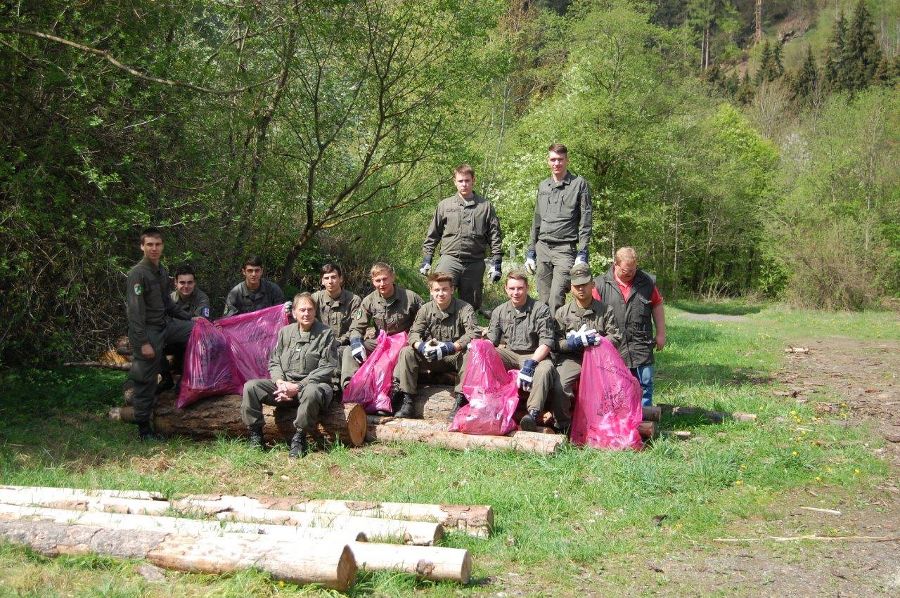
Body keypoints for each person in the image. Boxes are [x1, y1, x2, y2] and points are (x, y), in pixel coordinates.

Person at [240, 293, 339, 458]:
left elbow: (327, 367)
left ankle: (300, 437)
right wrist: (280, 383)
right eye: (302, 310)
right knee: (251, 387)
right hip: (285, 386)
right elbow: (274, 362)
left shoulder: (326, 334)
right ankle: (256, 435)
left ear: (315, 312)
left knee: (312, 391)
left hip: (311, 387)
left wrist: (298, 386)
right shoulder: (285, 332)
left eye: (310, 310)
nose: (306, 313)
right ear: (294, 313)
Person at [125, 227, 194, 441]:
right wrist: (143, 341)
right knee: (144, 380)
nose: (154, 249)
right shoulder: (138, 273)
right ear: (142, 247)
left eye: (158, 244)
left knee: (199, 331)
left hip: (166, 324)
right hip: (148, 331)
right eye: (150, 245)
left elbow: (167, 303)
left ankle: (183, 380)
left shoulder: (161, 270)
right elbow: (135, 312)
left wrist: (189, 319)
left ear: (162, 246)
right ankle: (144, 430)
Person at [393, 272, 478, 419]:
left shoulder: (465, 308)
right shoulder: (426, 309)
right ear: (431, 291)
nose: (441, 293)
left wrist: (451, 347)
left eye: (445, 289)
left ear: (452, 290)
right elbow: (413, 333)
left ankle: (460, 400)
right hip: (432, 356)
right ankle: (408, 400)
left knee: (470, 353)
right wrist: (421, 346)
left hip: (455, 356)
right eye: (437, 290)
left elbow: (473, 333)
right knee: (407, 352)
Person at [479, 271, 556, 431]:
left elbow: (547, 342)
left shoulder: (540, 309)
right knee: (484, 353)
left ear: (527, 288)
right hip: (510, 353)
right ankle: (487, 406)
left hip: (535, 354)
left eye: (520, 288)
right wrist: (479, 346)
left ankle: (533, 414)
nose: (516, 292)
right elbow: (492, 341)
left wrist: (531, 364)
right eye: (512, 288)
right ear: (506, 289)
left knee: (546, 368)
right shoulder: (499, 311)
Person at [420, 164, 503, 312]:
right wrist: (427, 259)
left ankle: (468, 332)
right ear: (455, 182)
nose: (464, 184)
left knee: (470, 306)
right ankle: (436, 329)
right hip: (450, 259)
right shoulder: (445, 205)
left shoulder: (485, 206)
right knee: (440, 295)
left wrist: (496, 263)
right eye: (460, 181)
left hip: (475, 262)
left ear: (473, 181)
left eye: (467, 180)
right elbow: (433, 234)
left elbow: (494, 235)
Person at [551, 263, 621, 434]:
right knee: (560, 387)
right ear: (571, 288)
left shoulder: (605, 311)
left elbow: (616, 337)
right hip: (573, 358)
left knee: (616, 389)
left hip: (599, 359)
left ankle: (607, 425)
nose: (581, 289)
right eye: (577, 286)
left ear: (592, 285)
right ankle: (563, 426)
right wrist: (571, 343)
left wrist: (598, 341)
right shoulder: (562, 312)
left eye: (584, 284)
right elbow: (555, 342)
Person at [593, 247, 666, 406]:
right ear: (615, 265)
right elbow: (592, 314)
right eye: (626, 270)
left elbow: (657, 305)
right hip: (613, 345)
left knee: (645, 384)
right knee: (617, 387)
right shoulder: (599, 284)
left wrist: (661, 334)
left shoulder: (647, 282)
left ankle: (645, 421)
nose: (630, 274)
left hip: (641, 343)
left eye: (633, 270)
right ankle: (621, 420)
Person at [525, 143, 593, 314]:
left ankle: (556, 338)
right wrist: (530, 252)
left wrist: (582, 253)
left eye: (560, 159)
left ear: (567, 160)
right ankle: (544, 336)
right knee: (543, 298)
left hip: (565, 249)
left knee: (557, 296)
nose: (556, 163)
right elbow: (536, 220)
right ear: (548, 161)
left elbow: (586, 221)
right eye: (553, 159)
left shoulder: (579, 184)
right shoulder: (543, 186)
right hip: (543, 248)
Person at [341, 262, 424, 390]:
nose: (382, 284)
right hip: (380, 342)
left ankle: (396, 389)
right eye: (378, 280)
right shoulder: (369, 301)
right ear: (373, 281)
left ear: (392, 277)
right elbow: (357, 327)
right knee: (348, 351)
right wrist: (356, 342)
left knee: (405, 355)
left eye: (385, 279)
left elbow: (426, 320)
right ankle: (349, 387)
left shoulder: (411, 297)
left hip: (404, 343)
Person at [311, 263, 362, 349]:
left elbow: (357, 327)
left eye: (333, 277)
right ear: (322, 281)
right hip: (320, 344)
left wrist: (339, 341)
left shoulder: (354, 300)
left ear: (340, 279)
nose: (330, 281)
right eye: (326, 278)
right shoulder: (315, 298)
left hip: (346, 345)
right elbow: (304, 319)